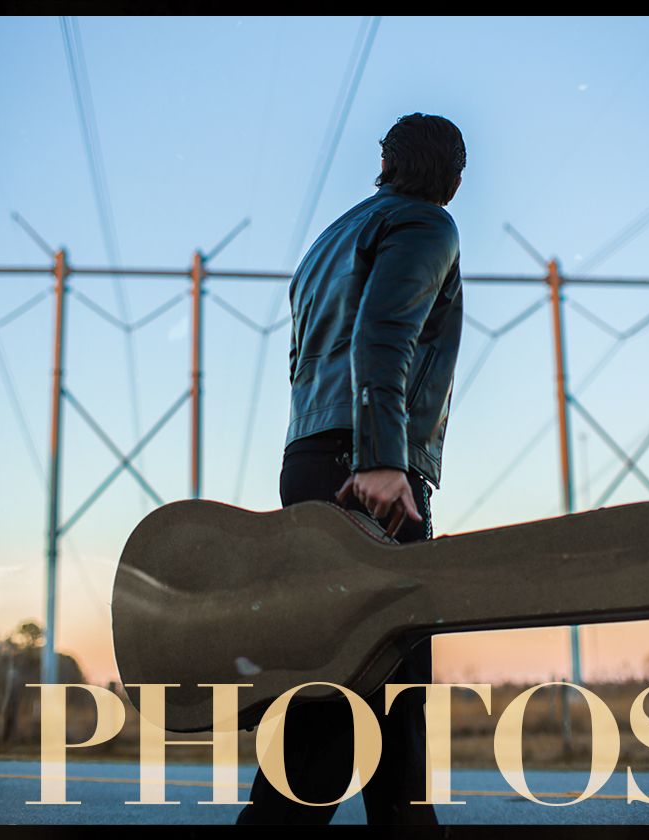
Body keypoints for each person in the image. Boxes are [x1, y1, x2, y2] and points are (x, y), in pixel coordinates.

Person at [236, 112, 465, 825]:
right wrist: (382, 460)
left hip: (308, 463)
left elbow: (312, 360)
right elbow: (385, 332)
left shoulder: (328, 243)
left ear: (386, 162)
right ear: (453, 176)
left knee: (377, 702)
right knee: (348, 701)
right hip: (365, 472)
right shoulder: (427, 225)